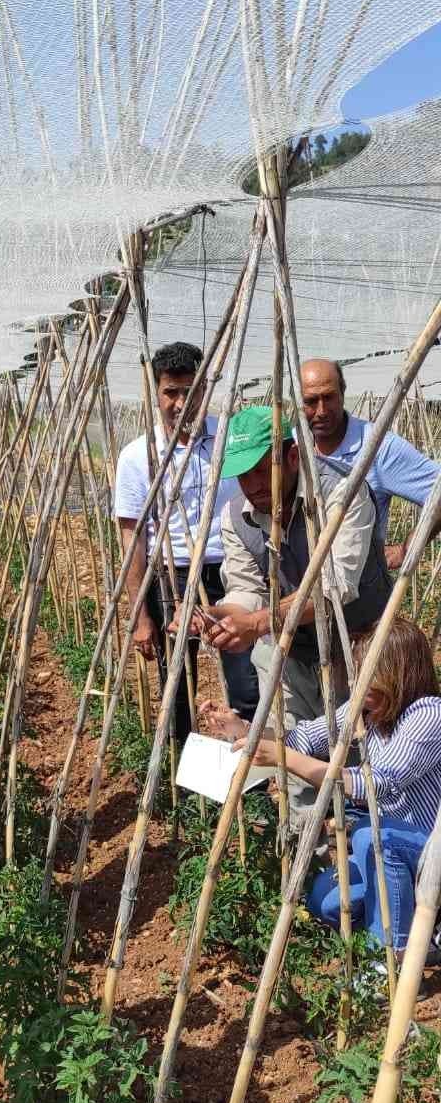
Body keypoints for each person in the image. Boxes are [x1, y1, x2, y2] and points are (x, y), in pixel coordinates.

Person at [195, 405, 393, 821]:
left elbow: (335, 586)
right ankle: (309, 848)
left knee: (359, 753)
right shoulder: (237, 515)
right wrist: (220, 616)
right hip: (287, 652)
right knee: (290, 751)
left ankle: (366, 852)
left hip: (355, 647)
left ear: (290, 456)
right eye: (241, 475)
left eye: (258, 470)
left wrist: (255, 622)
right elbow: (247, 590)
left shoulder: (342, 494)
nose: (251, 485)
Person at [204, 619, 441, 963]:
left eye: (370, 674)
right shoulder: (367, 709)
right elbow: (303, 739)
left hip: (428, 847)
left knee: (371, 836)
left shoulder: (428, 715)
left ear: (400, 676)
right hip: (387, 846)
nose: (359, 683)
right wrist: (243, 729)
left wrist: (286, 759)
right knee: (325, 902)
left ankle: (393, 957)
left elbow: (377, 784)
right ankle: (421, 931)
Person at [114, 340, 258, 745]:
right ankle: (178, 761)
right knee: (177, 679)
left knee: (245, 677)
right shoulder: (137, 457)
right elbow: (132, 536)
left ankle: (248, 765)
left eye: (190, 392)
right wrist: (141, 616)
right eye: (170, 392)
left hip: (234, 573)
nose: (180, 403)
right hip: (172, 576)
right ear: (155, 393)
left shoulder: (231, 441)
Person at [300, 358, 441, 569]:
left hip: (361, 589)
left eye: (329, 397)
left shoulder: (379, 447)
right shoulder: (290, 445)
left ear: (342, 393)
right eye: (310, 401)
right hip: (300, 586)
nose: (321, 411)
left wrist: (406, 549)